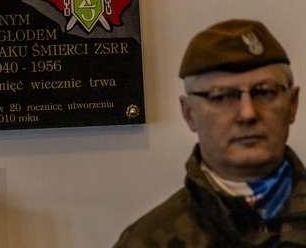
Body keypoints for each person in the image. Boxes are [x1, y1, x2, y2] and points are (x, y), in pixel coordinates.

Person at [113, 19, 306, 247]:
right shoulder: (147, 241)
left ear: (292, 104)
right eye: (221, 96)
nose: (247, 114)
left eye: (265, 92)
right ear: (189, 113)